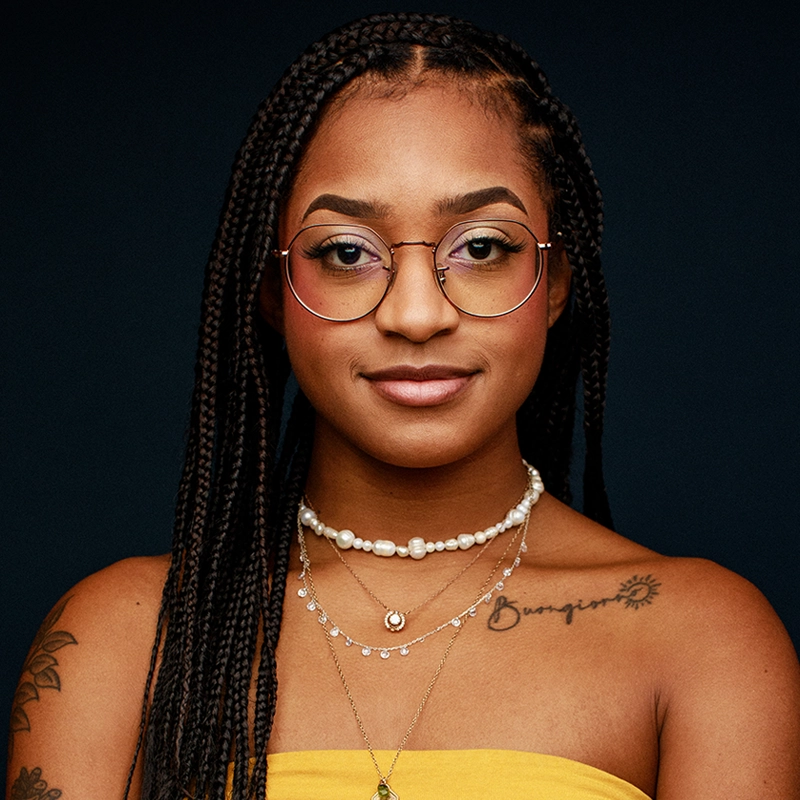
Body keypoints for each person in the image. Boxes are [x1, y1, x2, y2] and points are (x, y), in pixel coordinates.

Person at [7, 12, 799, 800]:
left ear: (555, 283)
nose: (417, 315)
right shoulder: (122, 638)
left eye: (482, 247)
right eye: (346, 252)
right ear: (273, 291)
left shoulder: (701, 639)